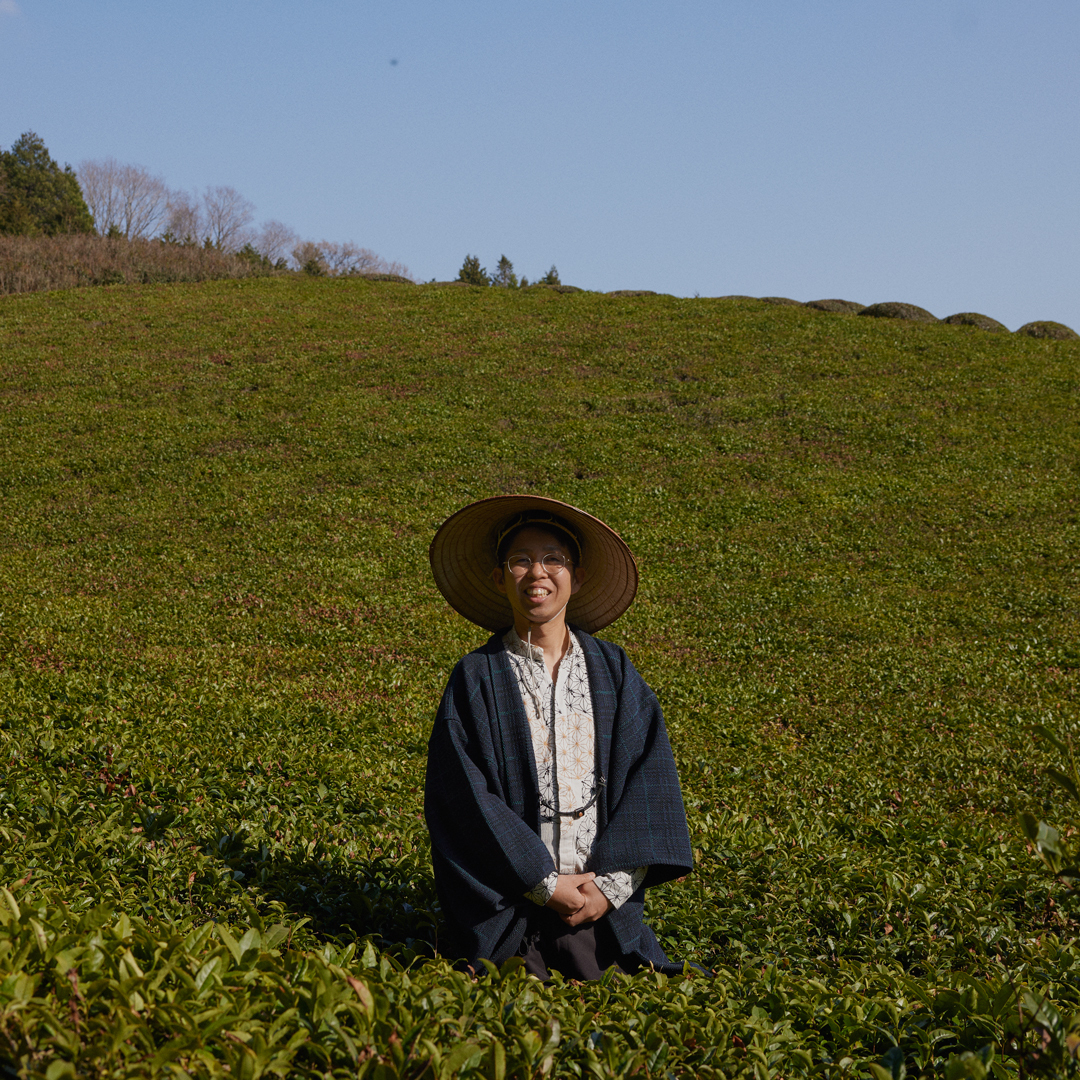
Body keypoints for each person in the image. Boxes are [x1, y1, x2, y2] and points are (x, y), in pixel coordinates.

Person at [425, 495, 694, 980]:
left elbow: (648, 779)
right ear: (499, 577)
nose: (537, 573)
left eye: (553, 559)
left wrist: (609, 888)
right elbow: (463, 798)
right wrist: (542, 884)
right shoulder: (475, 677)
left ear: (578, 576)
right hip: (511, 911)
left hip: (599, 910)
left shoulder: (614, 671)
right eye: (520, 561)